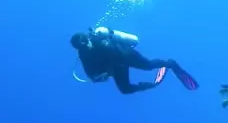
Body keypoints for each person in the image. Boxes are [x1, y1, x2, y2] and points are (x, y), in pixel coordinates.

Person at [70, 27, 199, 94]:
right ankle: (149, 85)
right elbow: (91, 75)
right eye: (82, 44)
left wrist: (104, 73)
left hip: (124, 55)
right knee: (125, 89)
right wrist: (100, 76)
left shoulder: (97, 37)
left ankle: (170, 63)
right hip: (117, 65)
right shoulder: (84, 55)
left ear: (86, 37)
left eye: (85, 41)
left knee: (148, 66)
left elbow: (111, 49)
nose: (86, 44)